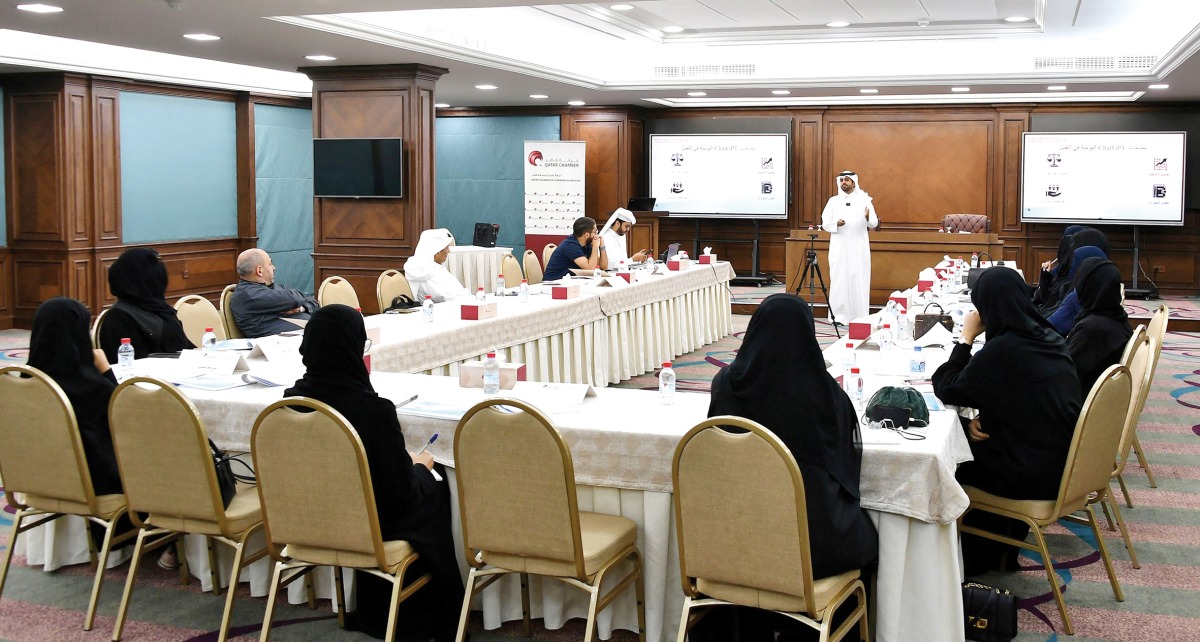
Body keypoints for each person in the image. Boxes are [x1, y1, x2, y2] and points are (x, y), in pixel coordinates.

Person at [699, 294, 877, 641]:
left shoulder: (727, 386)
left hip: (736, 540)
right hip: (812, 550)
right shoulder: (829, 397)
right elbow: (845, 474)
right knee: (870, 537)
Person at [283, 305, 462, 642]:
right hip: (371, 524)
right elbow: (399, 496)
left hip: (311, 517)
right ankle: (432, 615)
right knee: (435, 484)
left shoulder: (290, 402)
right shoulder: (373, 411)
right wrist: (420, 467)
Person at [932, 268, 1082, 574]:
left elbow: (947, 386)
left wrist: (966, 337)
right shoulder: (1046, 336)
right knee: (964, 433)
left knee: (946, 463)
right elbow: (1019, 396)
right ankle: (998, 552)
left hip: (1031, 475)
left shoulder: (1004, 350)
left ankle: (960, 563)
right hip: (1062, 463)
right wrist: (984, 414)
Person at [27, 297, 123, 497]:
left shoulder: (26, 382)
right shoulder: (89, 388)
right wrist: (106, 371)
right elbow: (124, 414)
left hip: (37, 482)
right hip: (97, 487)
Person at [98, 247, 195, 362]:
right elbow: (139, 365)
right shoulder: (119, 318)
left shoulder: (162, 310)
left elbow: (186, 349)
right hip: (153, 378)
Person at [1066, 257, 1132, 396]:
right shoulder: (1116, 316)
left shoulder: (1093, 329)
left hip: (1078, 405)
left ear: (1088, 286)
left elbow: (1064, 373)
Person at [820, 170, 879, 324]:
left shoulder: (865, 200)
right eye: (841, 180)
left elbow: (874, 223)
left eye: (847, 180)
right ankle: (838, 317)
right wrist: (835, 224)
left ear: (854, 182)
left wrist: (868, 217)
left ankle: (859, 316)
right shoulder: (833, 201)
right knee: (839, 279)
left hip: (858, 248)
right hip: (839, 248)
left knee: (858, 279)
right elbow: (825, 223)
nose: (843, 183)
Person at [230, 248, 319, 338]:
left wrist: (301, 308)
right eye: (270, 264)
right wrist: (298, 301)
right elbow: (295, 298)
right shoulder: (249, 295)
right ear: (259, 270)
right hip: (280, 346)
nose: (274, 267)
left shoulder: (270, 287)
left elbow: (312, 301)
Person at [1045, 244, 1109, 335]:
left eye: (1074, 262)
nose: (1071, 267)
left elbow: (1049, 325)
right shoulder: (1108, 297)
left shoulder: (1077, 296)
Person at [404, 228, 469, 303]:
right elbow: (452, 296)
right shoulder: (426, 272)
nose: (448, 251)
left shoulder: (434, 268)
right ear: (437, 252)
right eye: (447, 248)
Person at [543, 216, 609, 281]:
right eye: (595, 232)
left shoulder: (587, 245)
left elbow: (603, 266)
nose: (597, 235)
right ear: (586, 235)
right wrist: (595, 247)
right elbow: (590, 268)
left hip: (569, 284)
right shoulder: (570, 245)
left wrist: (602, 246)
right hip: (553, 284)